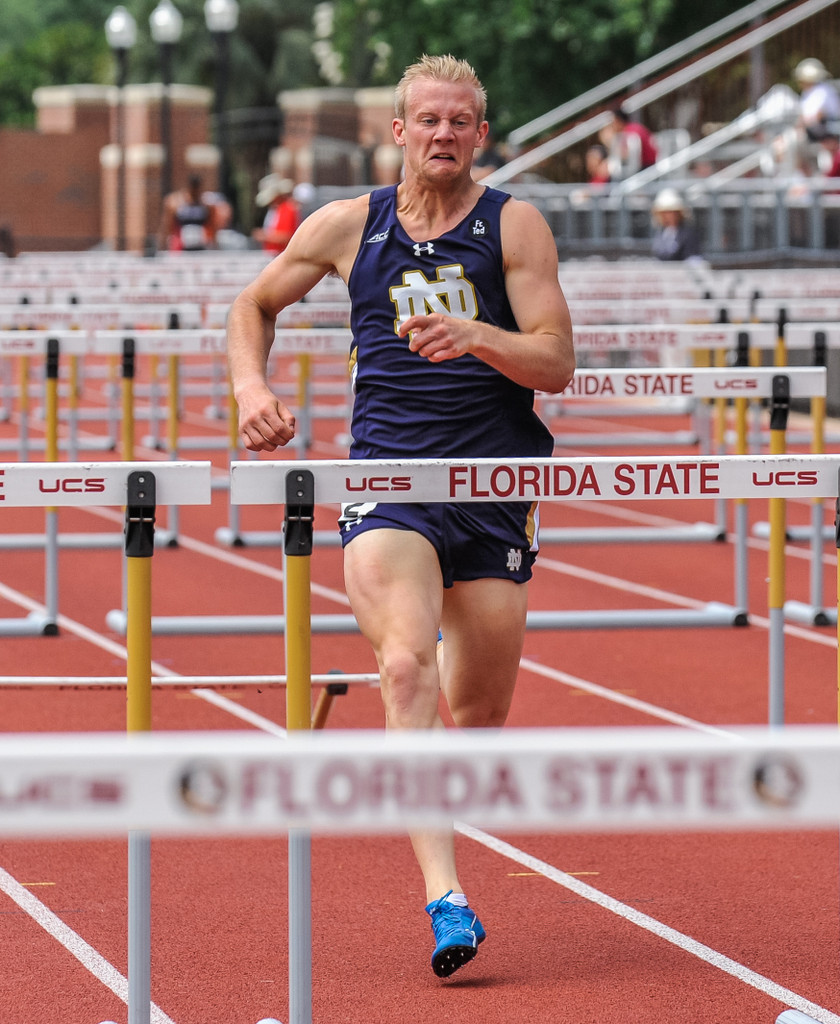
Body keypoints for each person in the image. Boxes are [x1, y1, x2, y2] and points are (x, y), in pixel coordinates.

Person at [227, 54, 574, 978]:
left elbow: (555, 363)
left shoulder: (516, 225)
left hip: (493, 490)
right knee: (405, 665)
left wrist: (478, 336)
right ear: (400, 130)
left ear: (482, 135)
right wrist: (249, 384)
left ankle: (437, 758)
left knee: (478, 708)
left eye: (462, 121)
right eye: (429, 120)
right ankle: (445, 896)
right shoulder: (349, 226)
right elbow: (252, 304)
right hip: (389, 479)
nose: (445, 135)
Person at [159, 174, 218, 251]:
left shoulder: (206, 205)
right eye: (193, 190)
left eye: (197, 190)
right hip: (180, 245)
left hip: (201, 245)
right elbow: (167, 224)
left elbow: (212, 226)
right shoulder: (176, 204)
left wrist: (215, 245)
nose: (195, 193)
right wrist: (162, 244)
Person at [793, 58, 840, 142]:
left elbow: (819, 115)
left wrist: (801, 125)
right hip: (814, 131)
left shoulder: (823, 90)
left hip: (827, 131)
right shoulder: (808, 92)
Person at [251, 175, 301, 254]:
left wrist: (265, 236)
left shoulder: (288, 209)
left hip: (281, 255)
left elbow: (287, 236)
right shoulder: (276, 210)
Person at [603, 105, 658, 176]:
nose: (611, 126)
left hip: (646, 168)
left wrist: (608, 141)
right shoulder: (633, 128)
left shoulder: (631, 132)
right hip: (644, 166)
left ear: (618, 121)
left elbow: (627, 156)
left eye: (612, 122)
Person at [650, 187, 702, 262]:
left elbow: (693, 257)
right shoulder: (661, 232)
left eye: (671, 212)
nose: (668, 216)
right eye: (665, 213)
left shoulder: (688, 233)